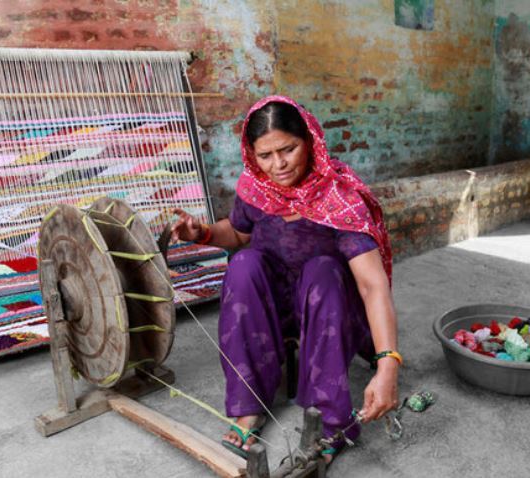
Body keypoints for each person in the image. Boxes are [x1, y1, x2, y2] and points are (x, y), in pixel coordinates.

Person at [171, 95, 400, 464]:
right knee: (243, 264)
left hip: (331, 306)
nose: (278, 165)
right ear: (252, 155)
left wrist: (388, 363)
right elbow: (240, 234)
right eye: (265, 156)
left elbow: (372, 285)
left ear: (309, 140)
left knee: (323, 270)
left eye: (288, 149)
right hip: (274, 306)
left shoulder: (338, 197)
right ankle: (249, 406)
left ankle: (331, 421)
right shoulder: (256, 188)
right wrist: (203, 234)